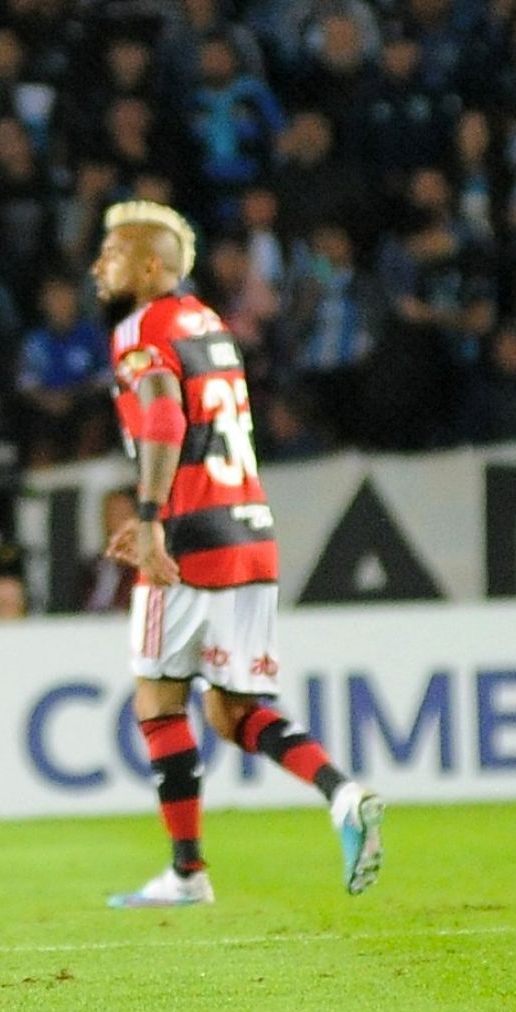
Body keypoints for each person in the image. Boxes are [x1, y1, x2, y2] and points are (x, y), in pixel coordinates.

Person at [90, 199, 386, 909]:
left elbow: (164, 415)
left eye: (115, 252)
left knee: (158, 700)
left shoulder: (142, 328)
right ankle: (340, 791)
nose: (101, 264)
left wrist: (153, 517)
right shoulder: (210, 326)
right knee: (231, 710)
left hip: (189, 537)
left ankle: (188, 873)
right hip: (249, 528)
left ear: (153, 266)